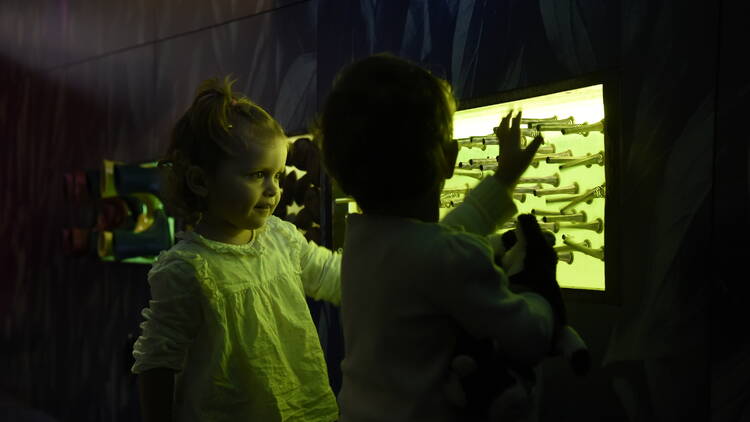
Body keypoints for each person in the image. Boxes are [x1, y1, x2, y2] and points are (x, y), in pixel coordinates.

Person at [313, 53, 565, 422]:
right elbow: (528, 335)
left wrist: (504, 179)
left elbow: (445, 237)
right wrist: (541, 292)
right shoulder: (442, 256)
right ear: (450, 157)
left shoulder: (364, 245)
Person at [131, 76, 342, 422]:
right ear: (201, 181)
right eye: (258, 175)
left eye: (277, 174)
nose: (274, 190)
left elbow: (332, 277)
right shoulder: (188, 269)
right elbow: (156, 361)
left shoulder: (282, 238)